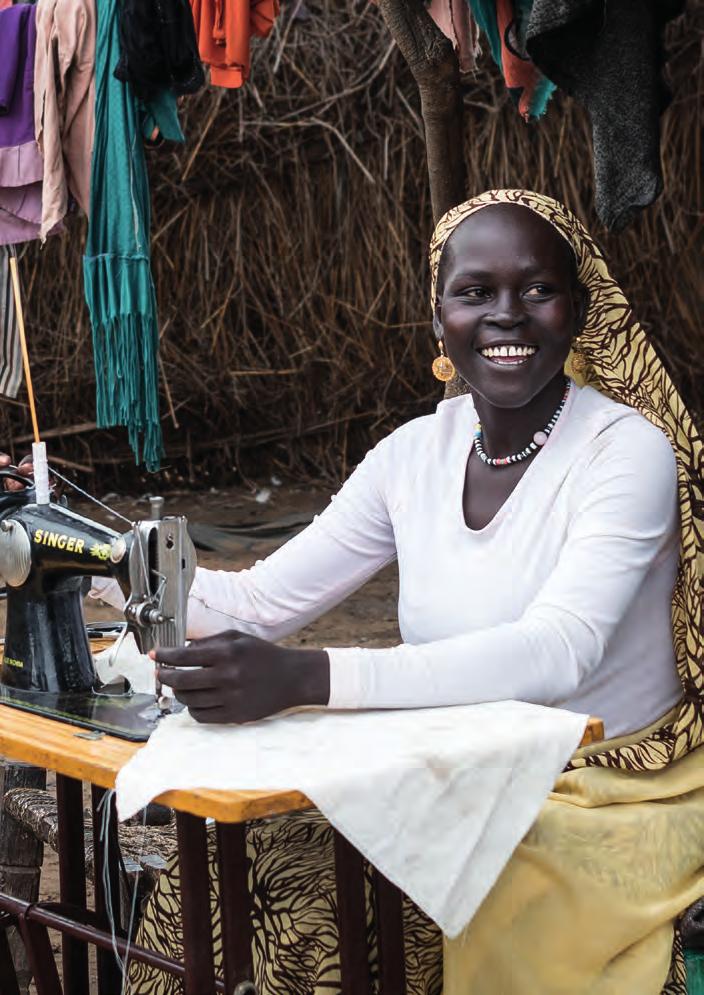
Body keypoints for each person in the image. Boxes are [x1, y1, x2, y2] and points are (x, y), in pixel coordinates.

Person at [7, 190, 704, 993]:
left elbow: (557, 651)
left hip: (600, 790)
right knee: (241, 874)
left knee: (352, 911)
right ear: (438, 315)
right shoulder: (414, 454)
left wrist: (307, 677)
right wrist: (100, 564)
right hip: (456, 764)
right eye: (475, 292)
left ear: (578, 311)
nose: (506, 316)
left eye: (537, 290)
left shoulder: (627, 452)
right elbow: (263, 602)